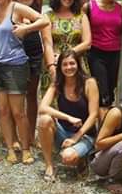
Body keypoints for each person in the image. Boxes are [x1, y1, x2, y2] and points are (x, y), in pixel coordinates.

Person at [0, 0, 50, 164]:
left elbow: (44, 20)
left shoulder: (16, 8)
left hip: (16, 64)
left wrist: (27, 29)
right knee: (4, 111)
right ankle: (10, 149)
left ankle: (25, 149)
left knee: (18, 112)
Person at [38, 49, 99, 181]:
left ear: (78, 64)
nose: (69, 67)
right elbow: (42, 107)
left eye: (72, 63)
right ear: (60, 67)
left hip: (84, 134)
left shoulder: (89, 83)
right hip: (64, 132)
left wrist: (76, 137)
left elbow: (94, 115)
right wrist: (67, 117)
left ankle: (83, 157)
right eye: (65, 64)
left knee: (68, 158)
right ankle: (49, 166)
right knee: (44, 120)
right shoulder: (58, 83)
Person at [83, 0, 122, 120]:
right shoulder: (89, 6)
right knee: (103, 94)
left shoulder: (121, 9)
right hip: (95, 54)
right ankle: (103, 134)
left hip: (115, 55)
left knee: (111, 92)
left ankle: (106, 127)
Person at [12, 0, 45, 146]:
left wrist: (28, 26)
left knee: (31, 94)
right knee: (15, 93)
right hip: (14, 46)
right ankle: (16, 137)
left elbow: (38, 20)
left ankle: (31, 135)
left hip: (33, 47)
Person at [41, 0, 91, 91]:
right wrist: (52, 67)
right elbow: (47, 43)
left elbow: (87, 43)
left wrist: (67, 55)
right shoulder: (48, 16)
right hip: (54, 62)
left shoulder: (81, 16)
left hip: (76, 64)